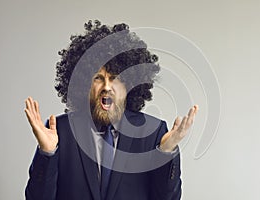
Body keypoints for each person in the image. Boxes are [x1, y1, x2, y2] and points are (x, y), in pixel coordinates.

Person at [24, 20, 198, 200]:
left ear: (129, 85)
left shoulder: (152, 133)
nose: (106, 87)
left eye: (115, 78)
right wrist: (47, 153)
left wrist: (166, 152)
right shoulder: (61, 131)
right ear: (85, 84)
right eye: (98, 78)